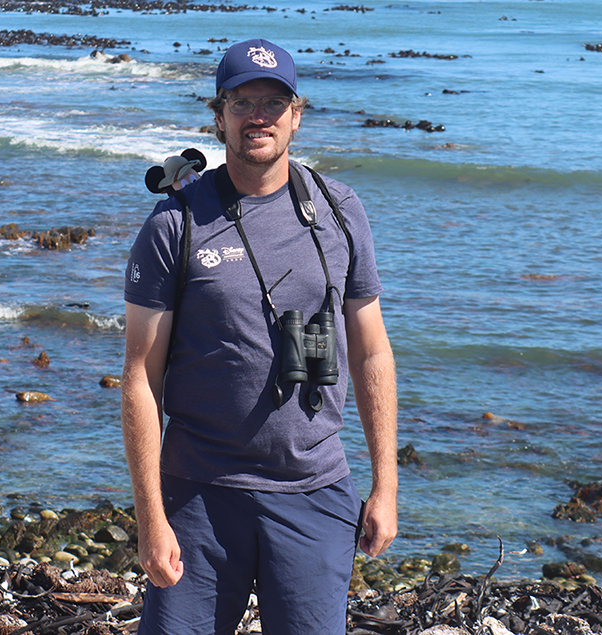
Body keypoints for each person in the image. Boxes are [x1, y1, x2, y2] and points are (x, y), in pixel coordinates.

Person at [121, 38, 398, 635]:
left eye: (274, 101)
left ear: (297, 114)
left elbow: (371, 350)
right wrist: (151, 517)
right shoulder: (177, 222)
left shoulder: (340, 209)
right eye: (241, 101)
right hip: (198, 493)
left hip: (315, 490)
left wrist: (385, 486)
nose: (258, 116)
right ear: (218, 117)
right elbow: (140, 376)